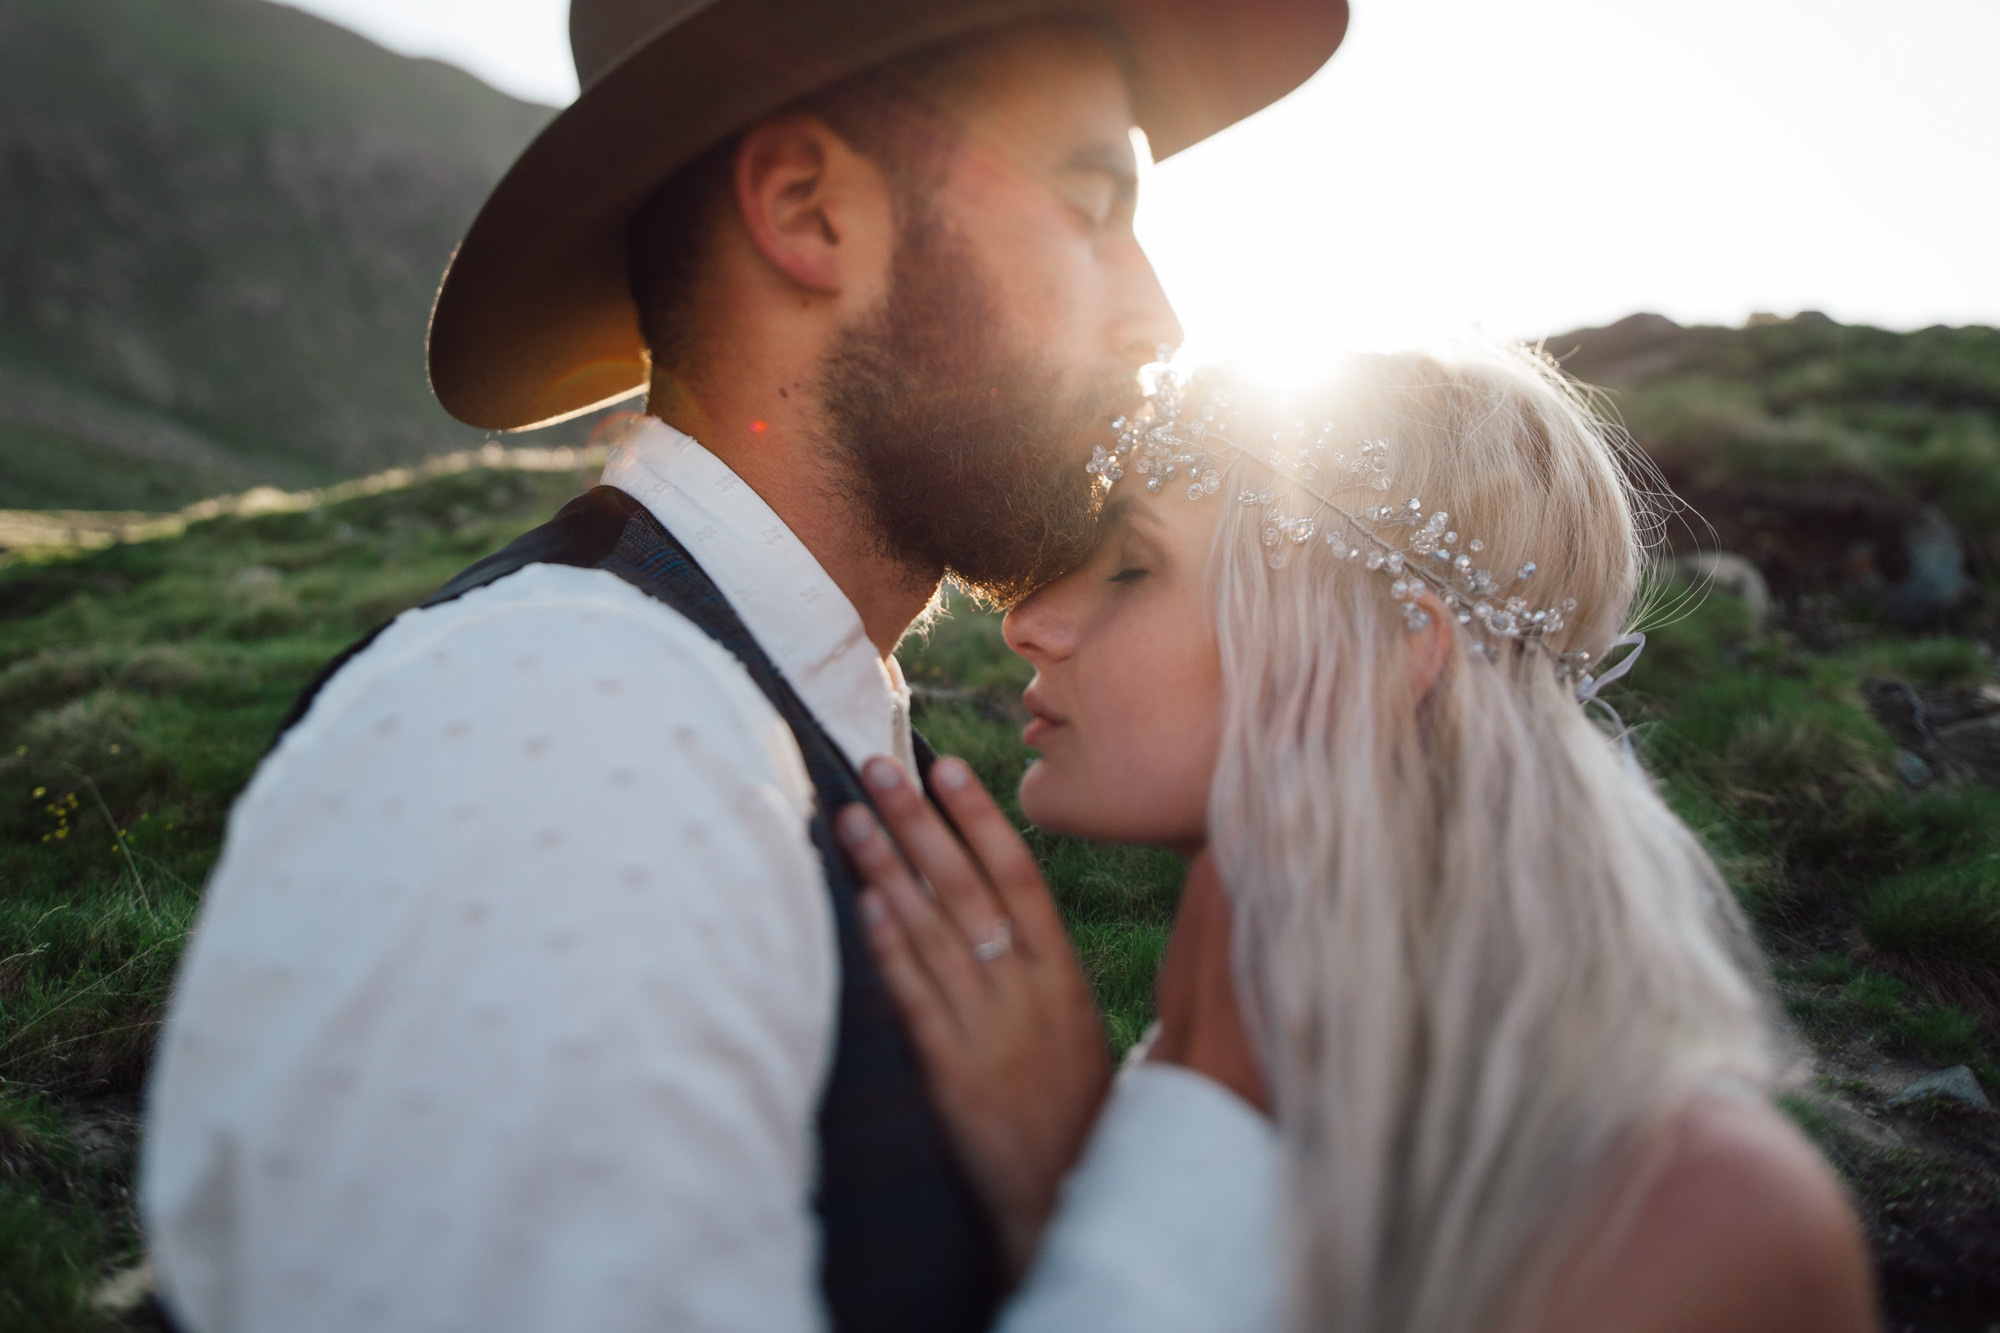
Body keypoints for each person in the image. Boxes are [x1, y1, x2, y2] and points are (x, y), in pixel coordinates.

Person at [139, 2, 1350, 1330]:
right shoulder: (570, 724)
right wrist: (1193, 1166)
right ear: (810, 209)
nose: (1157, 313)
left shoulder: (743, 717)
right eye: (1089, 202)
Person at [839, 345, 1881, 1331]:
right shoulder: (1225, 1041)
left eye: (1132, 567)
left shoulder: (1699, 1217)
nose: (1029, 619)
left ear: (1395, 655)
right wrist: (1065, 1195)